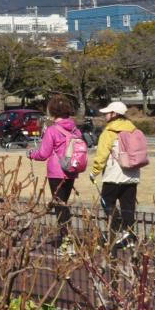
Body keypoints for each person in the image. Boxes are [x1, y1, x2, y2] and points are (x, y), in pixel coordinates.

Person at [27, 95, 83, 253]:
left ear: (52, 111)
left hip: (56, 173)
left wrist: (31, 154)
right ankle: (68, 239)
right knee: (64, 205)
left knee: (60, 207)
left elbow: (43, 154)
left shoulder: (52, 130)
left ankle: (66, 243)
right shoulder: (75, 129)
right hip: (71, 171)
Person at [89, 101, 141, 248]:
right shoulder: (133, 129)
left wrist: (94, 172)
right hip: (132, 175)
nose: (105, 115)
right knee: (128, 206)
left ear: (114, 114)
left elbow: (101, 156)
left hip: (113, 175)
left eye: (107, 113)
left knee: (107, 203)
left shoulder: (109, 132)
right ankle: (129, 235)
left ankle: (117, 231)